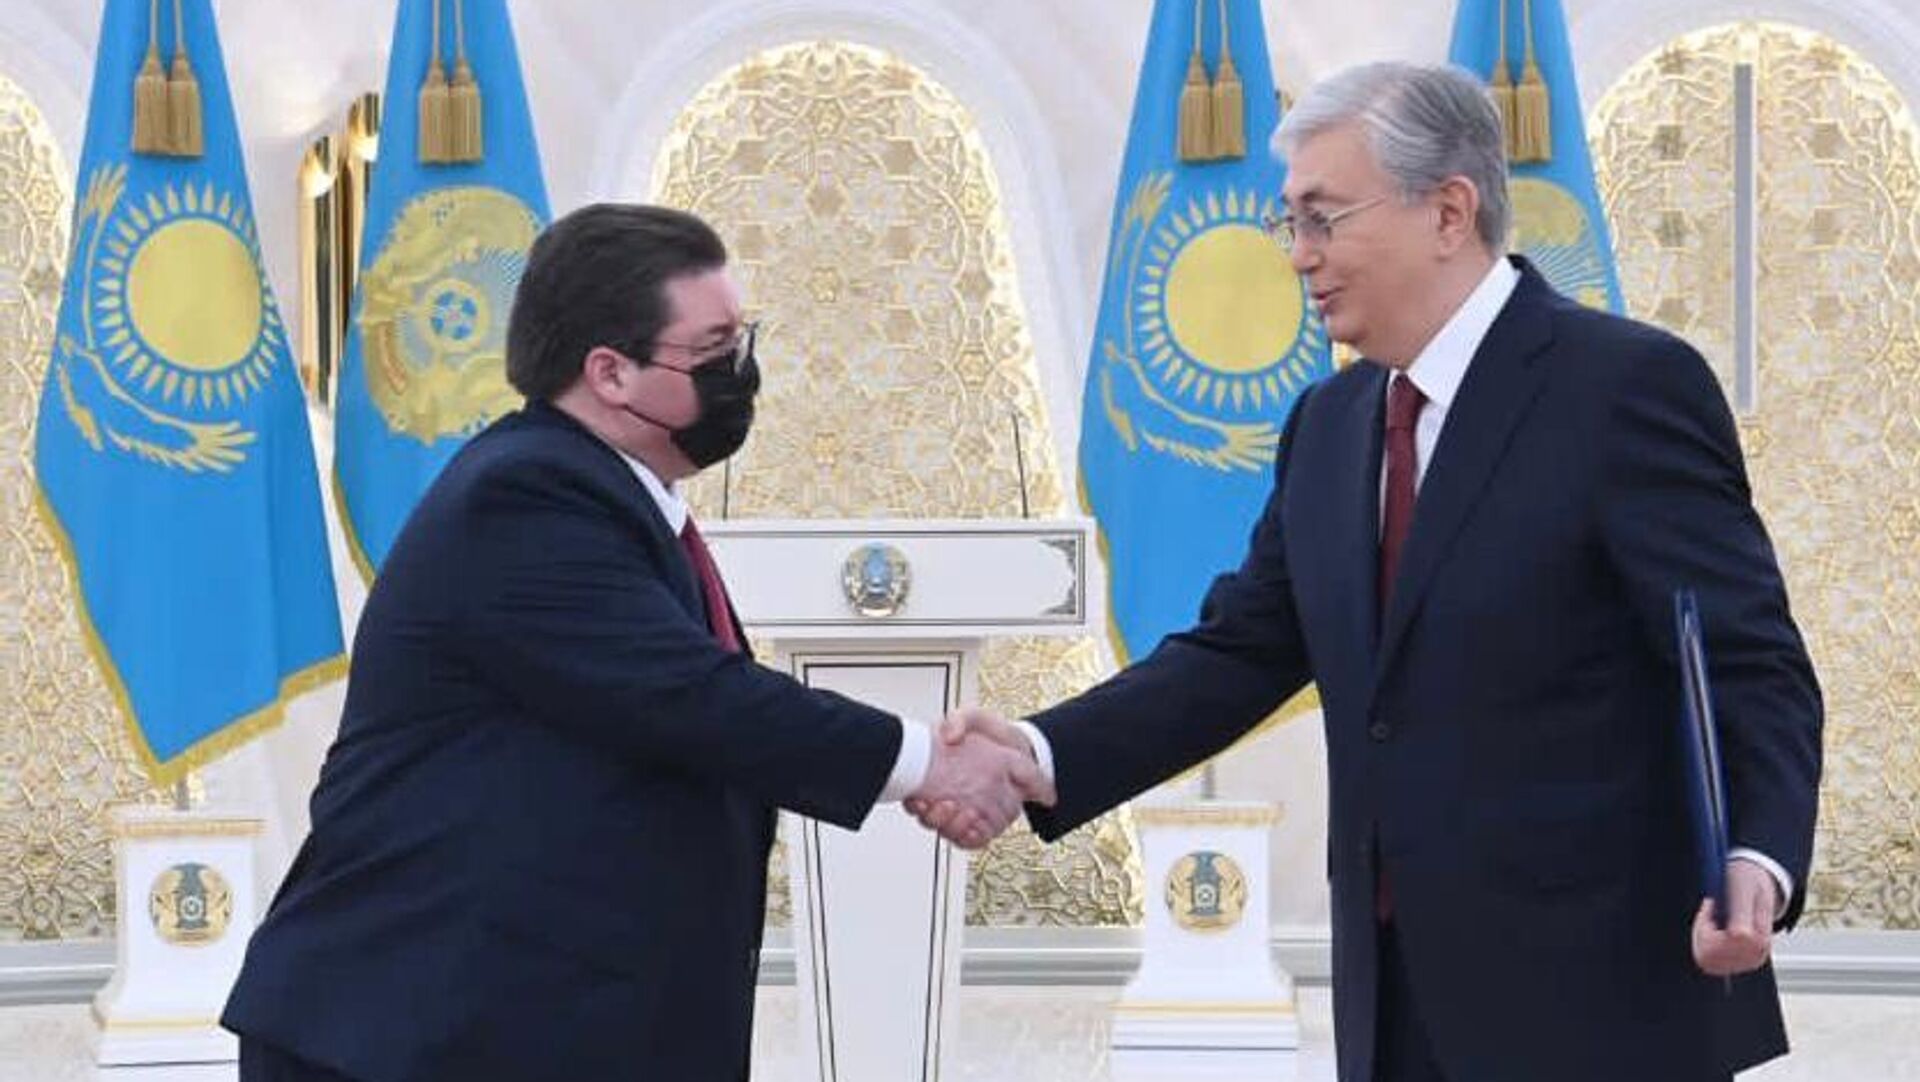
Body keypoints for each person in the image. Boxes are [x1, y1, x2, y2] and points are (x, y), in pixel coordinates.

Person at [919, 62, 1822, 1082]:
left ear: (1448, 212)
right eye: (1290, 222)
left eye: (1323, 218)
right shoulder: (1331, 423)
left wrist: (1757, 855)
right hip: (1395, 1001)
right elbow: (1239, 652)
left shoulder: (1623, 387)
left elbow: (1747, 658)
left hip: (1601, 1001)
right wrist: (1036, 752)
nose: (1298, 253)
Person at [222, 204, 1050, 1082]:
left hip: (519, 1022)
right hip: (405, 1032)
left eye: (744, 339)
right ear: (610, 372)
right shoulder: (524, 496)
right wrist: (930, 763)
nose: (741, 373)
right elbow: (697, 699)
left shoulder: (613, 495)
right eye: (713, 350)